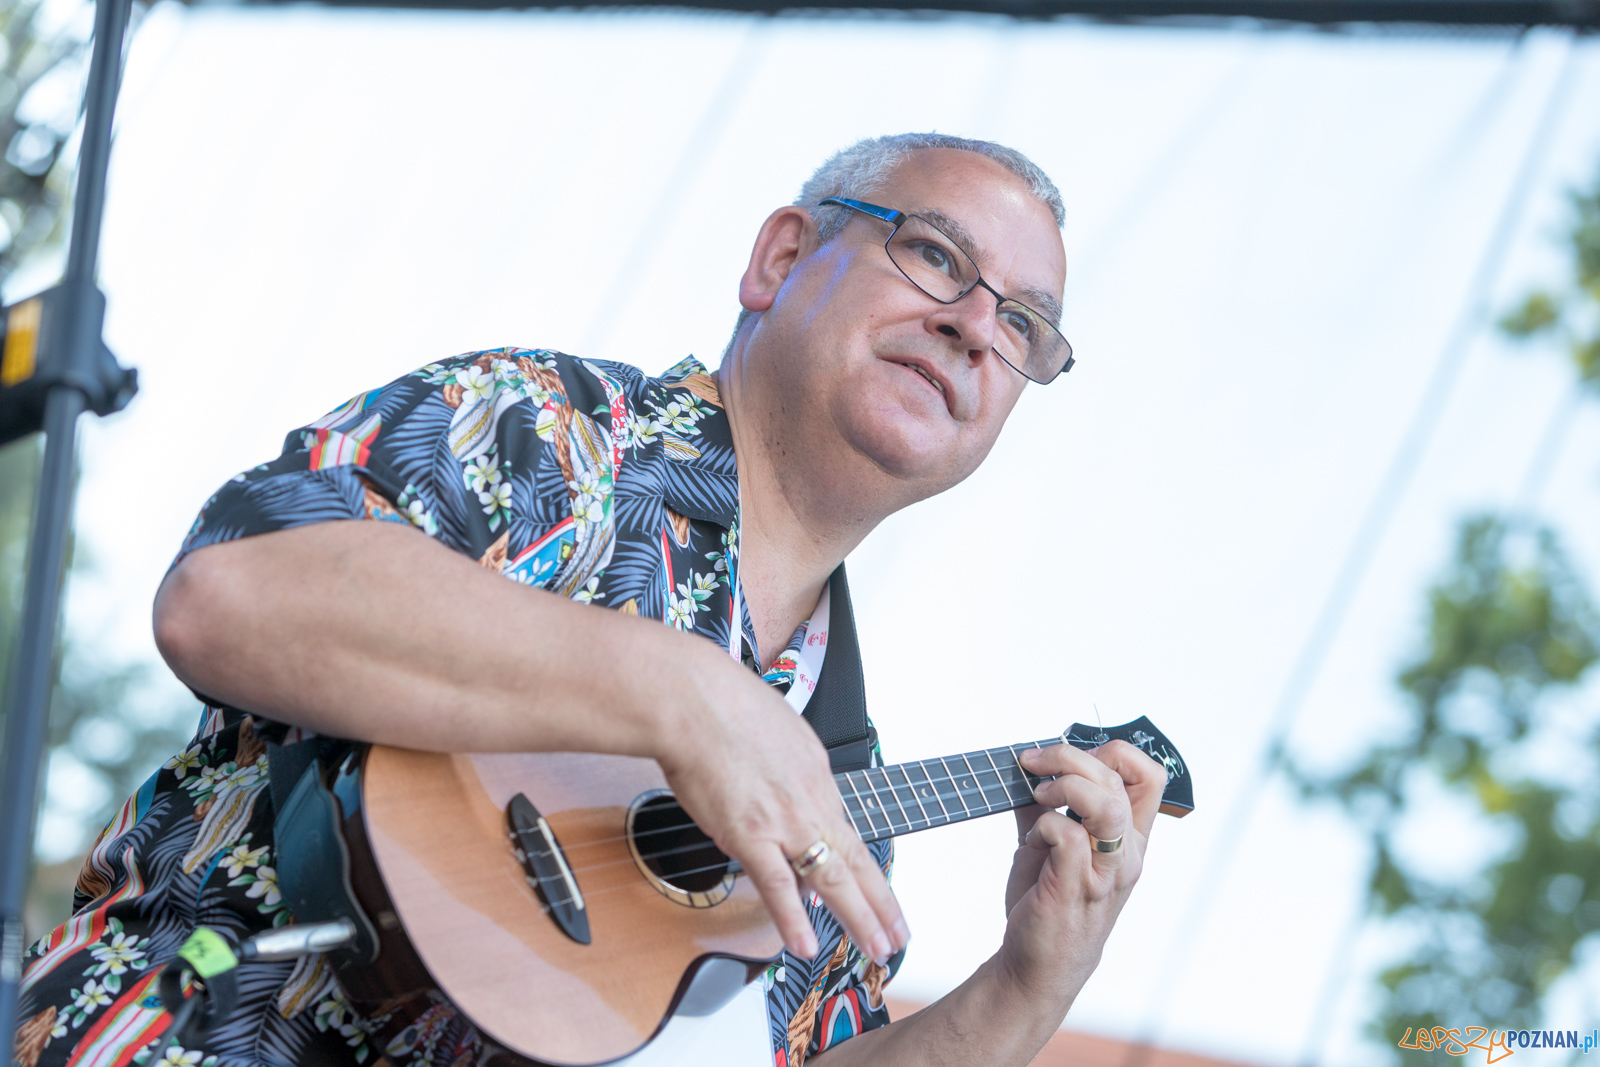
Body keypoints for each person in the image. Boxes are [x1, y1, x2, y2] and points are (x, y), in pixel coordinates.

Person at [10, 132, 1167, 1067]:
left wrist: (1028, 986)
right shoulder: (545, 433)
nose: (974, 324)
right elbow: (230, 588)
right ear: (778, 257)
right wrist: (680, 691)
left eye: (1023, 324)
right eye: (932, 256)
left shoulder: (830, 766)